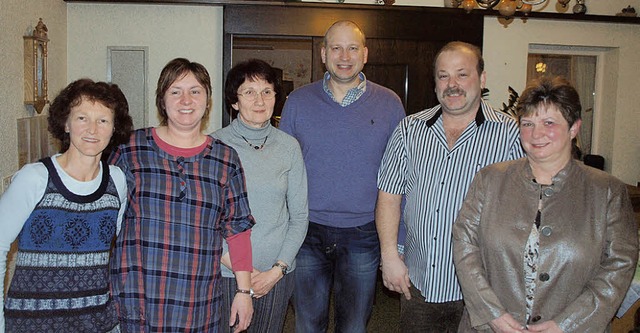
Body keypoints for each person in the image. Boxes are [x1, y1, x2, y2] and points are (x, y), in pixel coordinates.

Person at [453, 76, 638, 333]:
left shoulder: (607, 191)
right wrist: (491, 313)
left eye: (549, 122)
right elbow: (464, 246)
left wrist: (568, 324)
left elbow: (620, 265)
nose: (536, 134)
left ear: (574, 128)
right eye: (527, 123)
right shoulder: (489, 179)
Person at [375, 41, 524, 332]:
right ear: (435, 84)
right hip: (420, 283)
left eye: (462, 74)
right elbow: (389, 196)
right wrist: (390, 256)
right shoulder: (409, 130)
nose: (452, 84)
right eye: (443, 76)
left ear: (482, 79)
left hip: (484, 291)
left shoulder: (510, 134)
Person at [109, 58, 255, 332]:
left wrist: (243, 292)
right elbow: (101, 215)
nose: (186, 100)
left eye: (195, 91)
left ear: (208, 100)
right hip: (136, 300)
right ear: (162, 100)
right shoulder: (130, 149)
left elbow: (238, 230)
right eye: (175, 91)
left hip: (198, 303)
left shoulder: (226, 159)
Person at [279, 20, 406, 333]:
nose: (344, 55)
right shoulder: (298, 102)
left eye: (352, 48)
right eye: (336, 47)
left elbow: (402, 176)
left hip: (363, 233)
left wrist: (398, 243)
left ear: (364, 54)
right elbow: (282, 169)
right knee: (307, 324)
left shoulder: (390, 103)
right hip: (307, 231)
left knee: (353, 326)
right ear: (323, 54)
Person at [0, 78, 133, 332]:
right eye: (82, 118)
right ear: (66, 123)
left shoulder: (116, 180)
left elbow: (118, 250)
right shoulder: (35, 178)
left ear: (114, 128)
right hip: (32, 324)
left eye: (103, 120)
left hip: (96, 324)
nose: (92, 129)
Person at [212, 59, 308, 332]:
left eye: (267, 91)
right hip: (226, 273)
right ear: (234, 101)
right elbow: (205, 220)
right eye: (249, 91)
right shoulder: (214, 146)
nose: (259, 99)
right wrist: (244, 271)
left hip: (275, 275)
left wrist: (278, 269)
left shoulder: (289, 147)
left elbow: (299, 216)